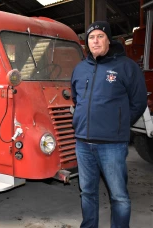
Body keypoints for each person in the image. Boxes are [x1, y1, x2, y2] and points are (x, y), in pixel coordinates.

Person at [71, 21, 147, 228]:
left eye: (100, 36)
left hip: (112, 144)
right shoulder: (79, 69)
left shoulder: (126, 67)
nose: (95, 41)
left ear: (109, 39)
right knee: (87, 191)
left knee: (119, 195)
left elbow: (138, 101)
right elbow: (76, 99)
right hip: (83, 143)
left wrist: (119, 124)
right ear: (87, 42)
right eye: (91, 37)